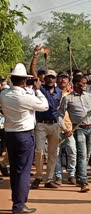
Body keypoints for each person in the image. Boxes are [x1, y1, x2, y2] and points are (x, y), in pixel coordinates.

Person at [0, 63, 49, 213]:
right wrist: (38, 91)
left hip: (10, 134)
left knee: (16, 170)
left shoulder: (4, 94)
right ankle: (19, 205)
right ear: (23, 81)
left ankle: (18, 202)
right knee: (23, 172)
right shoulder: (26, 97)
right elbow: (44, 106)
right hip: (24, 136)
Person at [58, 75, 91, 192]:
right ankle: (84, 181)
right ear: (75, 84)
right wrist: (65, 129)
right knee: (82, 154)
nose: (84, 86)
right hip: (79, 128)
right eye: (82, 84)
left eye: (85, 83)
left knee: (87, 155)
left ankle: (79, 174)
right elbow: (59, 116)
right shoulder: (68, 98)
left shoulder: (90, 96)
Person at [31, 69, 62, 189]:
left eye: (52, 77)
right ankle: (38, 177)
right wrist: (35, 56)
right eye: (48, 77)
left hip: (54, 124)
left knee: (53, 153)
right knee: (39, 151)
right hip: (41, 124)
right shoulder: (41, 88)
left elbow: (54, 106)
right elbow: (33, 73)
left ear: (56, 79)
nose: (50, 79)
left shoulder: (58, 91)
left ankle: (49, 178)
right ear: (44, 78)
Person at [55, 71, 77, 185]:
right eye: (60, 78)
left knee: (72, 152)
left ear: (69, 80)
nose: (63, 80)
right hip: (56, 128)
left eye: (65, 78)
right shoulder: (53, 93)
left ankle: (72, 174)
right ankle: (58, 176)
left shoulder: (72, 95)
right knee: (56, 154)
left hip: (70, 128)